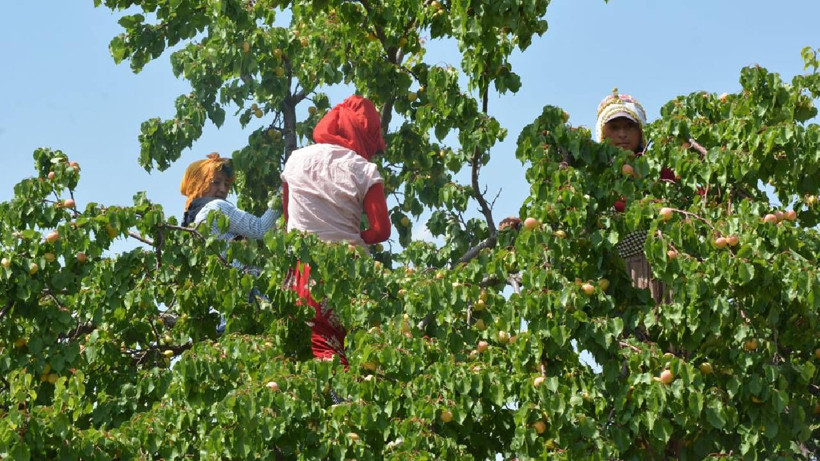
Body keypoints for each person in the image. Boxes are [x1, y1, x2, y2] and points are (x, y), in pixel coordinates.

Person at [281, 95, 391, 367]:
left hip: (301, 272)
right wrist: (353, 237)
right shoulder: (364, 169)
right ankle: (345, 400)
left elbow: (288, 221)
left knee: (312, 342)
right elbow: (380, 230)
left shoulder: (295, 160)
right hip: (349, 272)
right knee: (359, 349)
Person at [180, 153, 280, 333]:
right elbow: (260, 228)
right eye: (215, 182)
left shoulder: (189, 222)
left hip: (216, 312)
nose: (223, 189)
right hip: (245, 297)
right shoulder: (217, 207)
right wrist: (283, 192)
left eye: (226, 184)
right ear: (199, 184)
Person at [596, 92, 672, 304]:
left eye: (629, 127)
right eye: (614, 127)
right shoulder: (593, 175)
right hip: (616, 278)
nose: (622, 134)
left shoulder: (658, 170)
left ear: (641, 131)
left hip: (661, 273)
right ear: (602, 132)